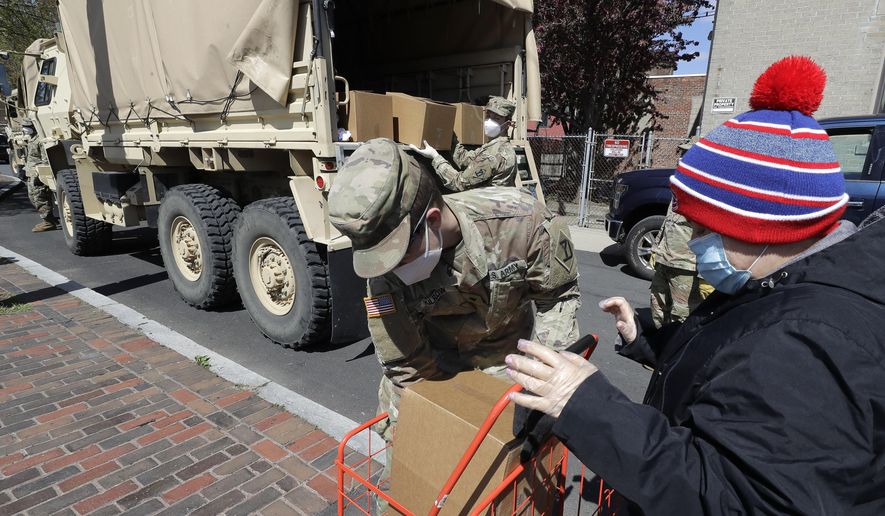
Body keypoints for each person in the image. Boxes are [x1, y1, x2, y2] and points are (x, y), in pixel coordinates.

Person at [503, 56, 885, 514]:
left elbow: (734, 498)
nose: (695, 245)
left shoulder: (811, 343)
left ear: (762, 228)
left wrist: (585, 403)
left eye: (704, 229)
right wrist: (651, 339)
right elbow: (737, 375)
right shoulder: (779, 285)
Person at [327, 138, 581, 503]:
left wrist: (542, 386)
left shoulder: (521, 223)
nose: (391, 271)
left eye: (398, 256)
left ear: (431, 220)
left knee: (506, 493)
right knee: (409, 491)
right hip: (434, 372)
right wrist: (431, 426)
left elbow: (556, 299)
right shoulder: (384, 276)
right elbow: (406, 365)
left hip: (511, 371)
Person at [409, 96, 518, 192]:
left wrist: (435, 157)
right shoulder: (498, 146)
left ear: (507, 124)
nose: (489, 121)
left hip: (488, 206)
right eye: (488, 116)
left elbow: (459, 183)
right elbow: (465, 159)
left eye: (497, 118)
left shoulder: (493, 154)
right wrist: (450, 136)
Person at [649, 200, 712, 328]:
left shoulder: (703, 192)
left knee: (681, 318)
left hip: (687, 268)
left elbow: (710, 236)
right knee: (657, 309)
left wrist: (706, 275)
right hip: (664, 261)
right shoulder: (678, 191)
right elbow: (668, 222)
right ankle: (659, 343)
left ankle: (677, 347)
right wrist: (656, 249)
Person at [22, 120, 58, 232]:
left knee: (39, 197)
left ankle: (48, 222)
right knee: (33, 197)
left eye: (26, 126)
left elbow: (45, 160)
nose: (24, 129)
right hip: (31, 172)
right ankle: (50, 219)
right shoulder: (31, 139)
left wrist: (40, 176)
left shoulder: (39, 140)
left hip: (37, 173)